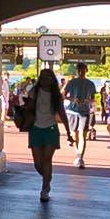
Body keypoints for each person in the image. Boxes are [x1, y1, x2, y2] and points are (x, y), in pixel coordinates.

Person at [17, 63, 69, 200]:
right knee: (37, 163)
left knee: (47, 160)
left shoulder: (56, 95)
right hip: (36, 128)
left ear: (52, 79)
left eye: (48, 77)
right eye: (43, 77)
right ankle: (47, 177)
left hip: (51, 128)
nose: (46, 80)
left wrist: (68, 132)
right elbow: (30, 108)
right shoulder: (34, 91)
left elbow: (62, 113)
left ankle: (44, 188)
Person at [63, 61, 97, 167]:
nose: (81, 72)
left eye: (83, 70)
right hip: (72, 111)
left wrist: (87, 101)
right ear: (77, 71)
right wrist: (72, 99)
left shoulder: (91, 84)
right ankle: (77, 154)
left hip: (84, 112)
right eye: (79, 70)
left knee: (82, 134)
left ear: (86, 71)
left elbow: (93, 99)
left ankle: (80, 158)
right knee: (75, 135)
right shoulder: (71, 82)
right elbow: (62, 95)